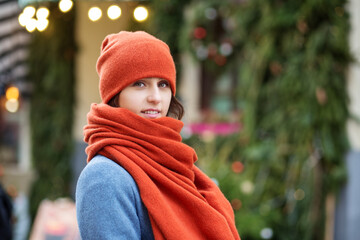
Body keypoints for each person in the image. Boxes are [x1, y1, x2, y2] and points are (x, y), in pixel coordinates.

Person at [76, 31, 241, 240]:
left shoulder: (175, 163)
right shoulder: (104, 177)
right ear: (114, 95)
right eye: (140, 84)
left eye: (163, 84)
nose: (155, 98)